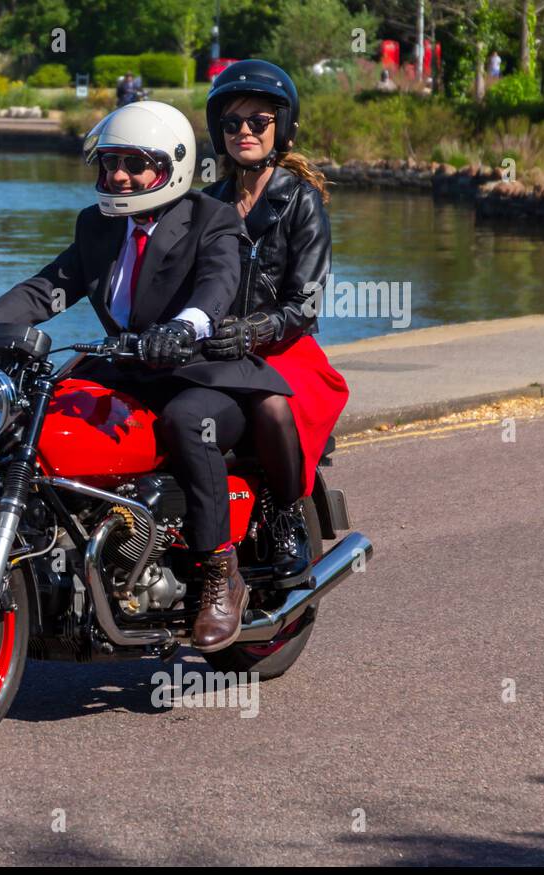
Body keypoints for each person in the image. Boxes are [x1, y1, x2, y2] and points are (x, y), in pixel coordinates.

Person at [0, 101, 284, 651]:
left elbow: (219, 282)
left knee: (187, 423)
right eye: (110, 163)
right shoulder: (98, 226)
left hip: (204, 373)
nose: (118, 176)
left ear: (173, 167)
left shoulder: (213, 218)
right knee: (35, 417)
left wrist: (186, 327)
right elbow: (50, 288)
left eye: (135, 164)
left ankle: (217, 574)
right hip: (128, 368)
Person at [201, 59, 350, 583]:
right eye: (232, 122)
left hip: (283, 349)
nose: (243, 131)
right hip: (216, 347)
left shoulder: (301, 201)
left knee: (270, 406)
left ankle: (287, 514)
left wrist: (254, 330)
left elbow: (305, 303)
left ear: (280, 128)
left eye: (257, 121)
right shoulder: (207, 203)